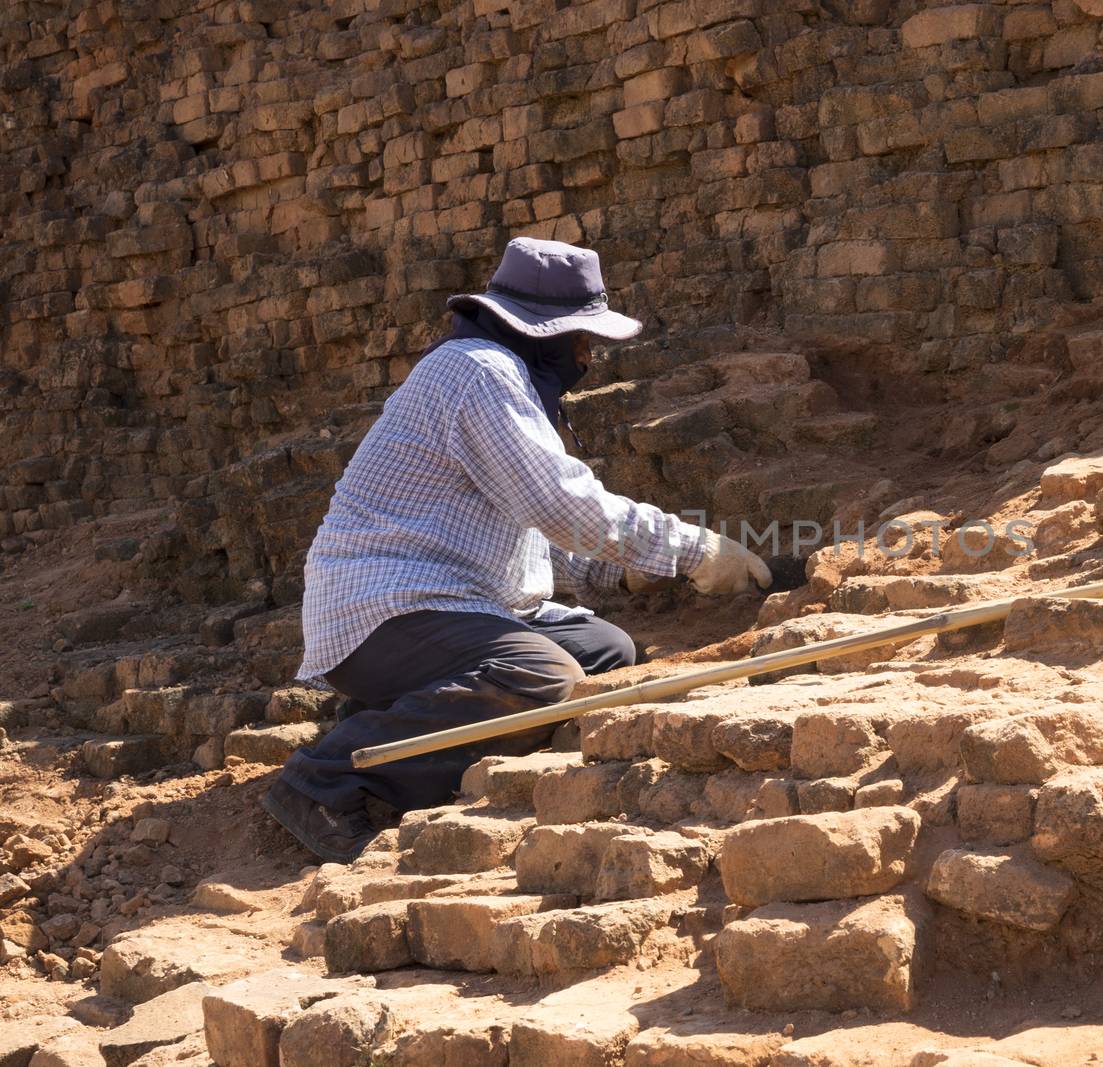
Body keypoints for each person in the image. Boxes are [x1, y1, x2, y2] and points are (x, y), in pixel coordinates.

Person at [261, 238, 771, 862]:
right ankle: (327, 777)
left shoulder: (501, 375)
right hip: (384, 610)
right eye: (583, 338)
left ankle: (392, 721)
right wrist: (693, 551)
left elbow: (525, 533)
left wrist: (623, 576)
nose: (589, 354)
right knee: (542, 675)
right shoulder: (480, 373)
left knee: (608, 650)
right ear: (542, 332)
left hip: (453, 606)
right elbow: (560, 504)